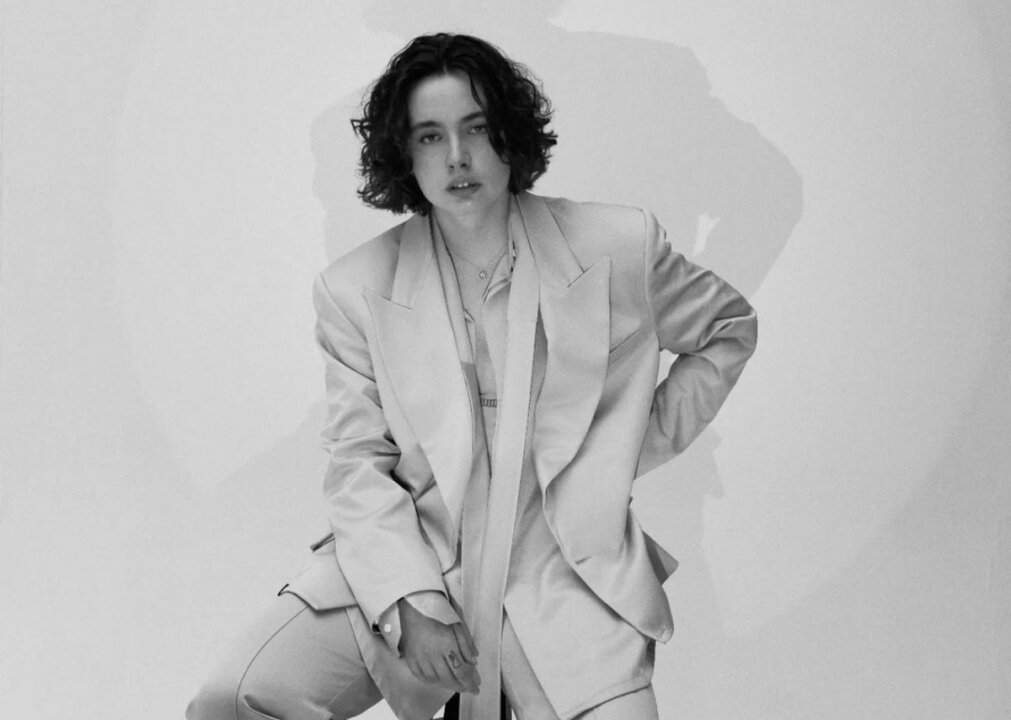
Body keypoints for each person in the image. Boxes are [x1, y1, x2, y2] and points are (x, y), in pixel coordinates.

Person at [186, 32, 757, 720]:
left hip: (563, 574)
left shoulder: (618, 244)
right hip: (410, 553)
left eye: (476, 128)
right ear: (404, 154)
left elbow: (726, 329)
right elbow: (356, 463)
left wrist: (623, 446)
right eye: (429, 136)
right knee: (231, 699)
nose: (456, 156)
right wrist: (408, 599)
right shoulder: (354, 288)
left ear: (510, 134)